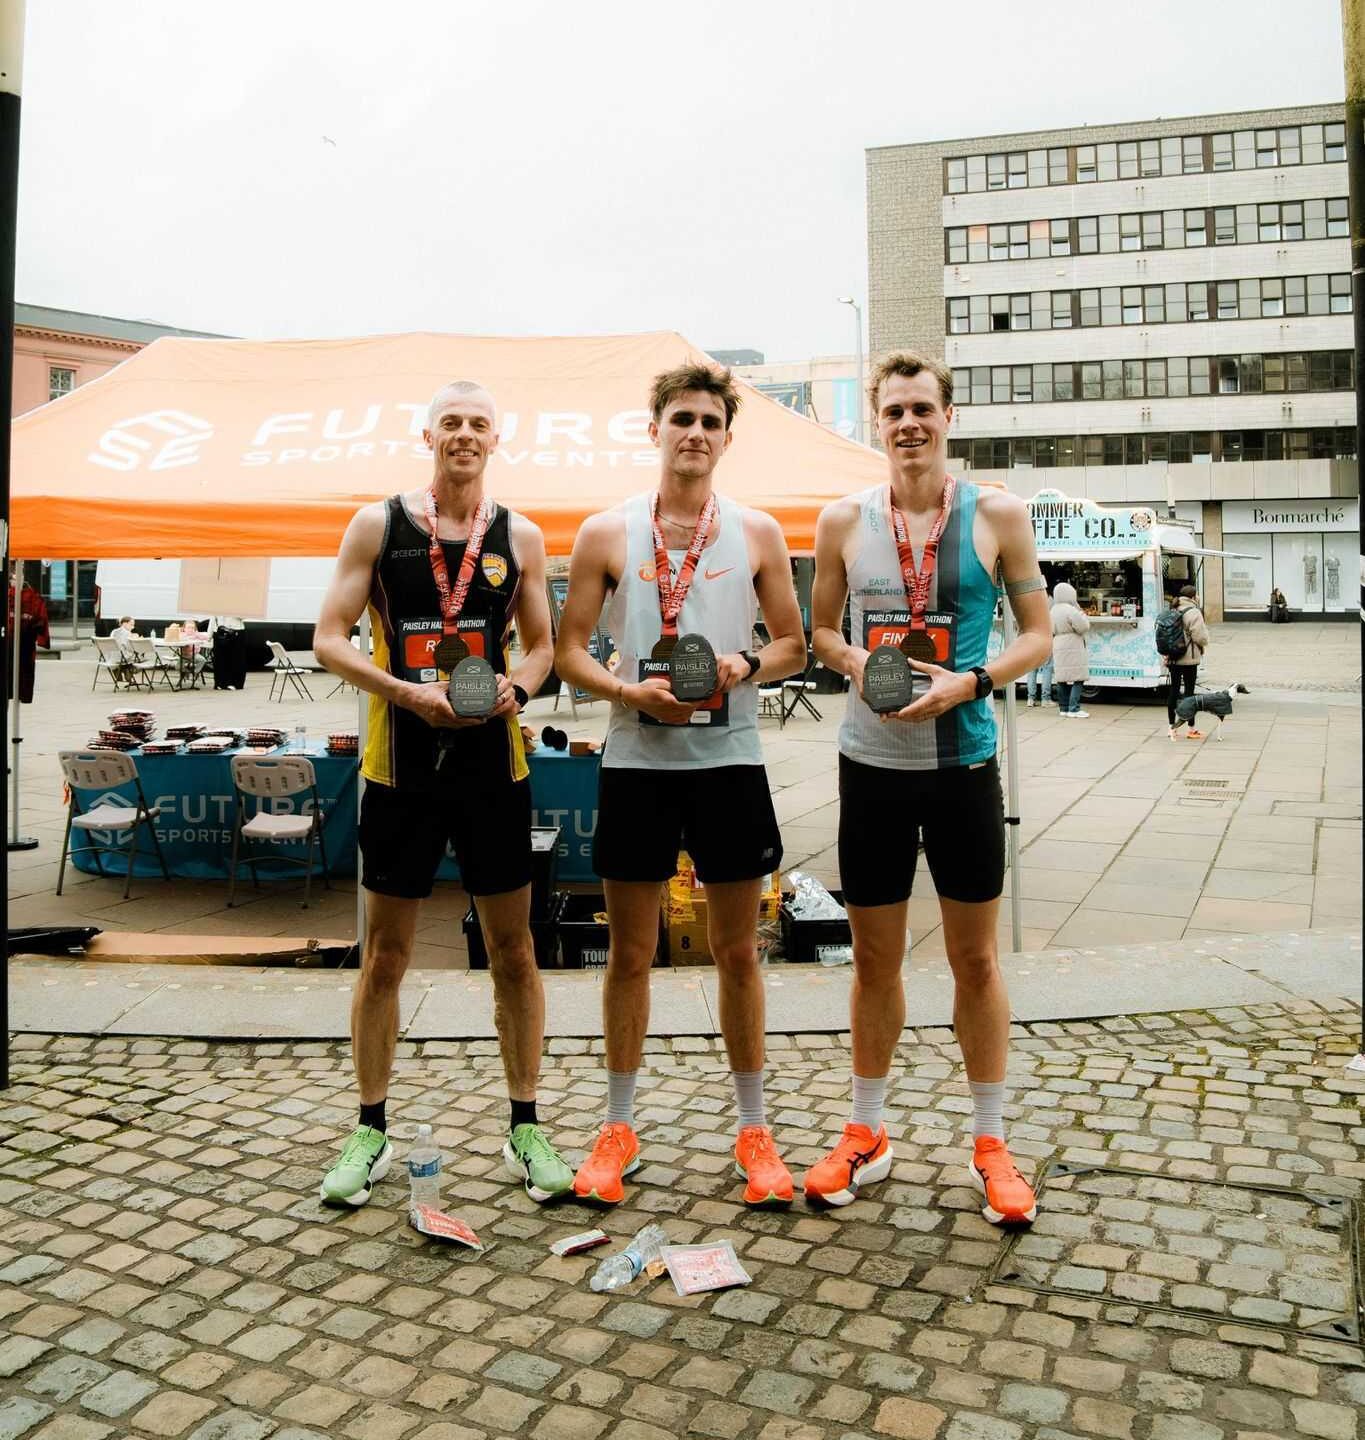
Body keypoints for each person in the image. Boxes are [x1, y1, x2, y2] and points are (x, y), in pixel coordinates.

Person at [313, 379, 573, 1207]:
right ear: (427, 435)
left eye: (479, 425)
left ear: (497, 440)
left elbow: (542, 647)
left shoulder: (518, 534)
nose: (464, 435)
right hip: (399, 765)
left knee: (515, 952)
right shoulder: (377, 525)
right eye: (451, 423)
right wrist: (403, 690)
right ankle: (369, 1128)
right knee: (386, 956)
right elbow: (327, 639)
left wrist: (519, 692)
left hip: (493, 767)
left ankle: (525, 1126)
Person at [554, 362, 806, 1208]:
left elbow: (794, 647)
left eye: (708, 421)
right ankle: (617, 1124)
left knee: (738, 951)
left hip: (728, 762)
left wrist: (740, 663)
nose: (694, 433)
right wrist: (625, 691)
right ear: (652, 429)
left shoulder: (758, 532)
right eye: (680, 419)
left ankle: (752, 1127)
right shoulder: (605, 533)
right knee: (630, 954)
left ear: (727, 438)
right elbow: (569, 649)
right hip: (635, 764)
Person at [806, 351, 1050, 1224]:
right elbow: (819, 632)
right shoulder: (842, 519)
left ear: (948, 416)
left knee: (974, 960)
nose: (907, 424)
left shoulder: (997, 515)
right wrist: (860, 666)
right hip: (869, 767)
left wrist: (970, 682)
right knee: (872, 960)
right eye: (892, 411)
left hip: (962, 766)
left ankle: (990, 1143)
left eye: (921, 409)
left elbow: (1036, 634)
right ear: (875, 422)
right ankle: (866, 1131)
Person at [1165, 583, 1210, 737]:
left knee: (1173, 691)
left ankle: (1172, 727)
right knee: (1189, 694)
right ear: (1192, 596)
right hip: (1189, 658)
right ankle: (1191, 728)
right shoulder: (1194, 612)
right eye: (1196, 595)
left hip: (1173, 657)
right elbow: (1200, 637)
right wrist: (1204, 643)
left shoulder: (1172, 608)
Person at [1050, 582, 1090, 718]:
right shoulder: (1071, 609)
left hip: (1058, 644)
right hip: (1073, 645)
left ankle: (1064, 708)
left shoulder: (1052, 610)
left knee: (1062, 678)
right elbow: (1083, 627)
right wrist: (1082, 613)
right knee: (1078, 678)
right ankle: (1074, 708)